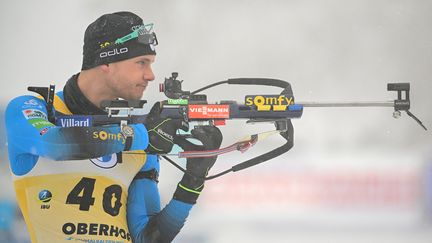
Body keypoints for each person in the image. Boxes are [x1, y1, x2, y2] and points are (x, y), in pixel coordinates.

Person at [5, 11, 222, 243]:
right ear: (106, 61)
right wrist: (140, 135)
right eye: (141, 63)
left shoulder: (137, 130)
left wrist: (193, 180)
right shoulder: (33, 108)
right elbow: (54, 143)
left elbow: (148, 238)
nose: (150, 75)